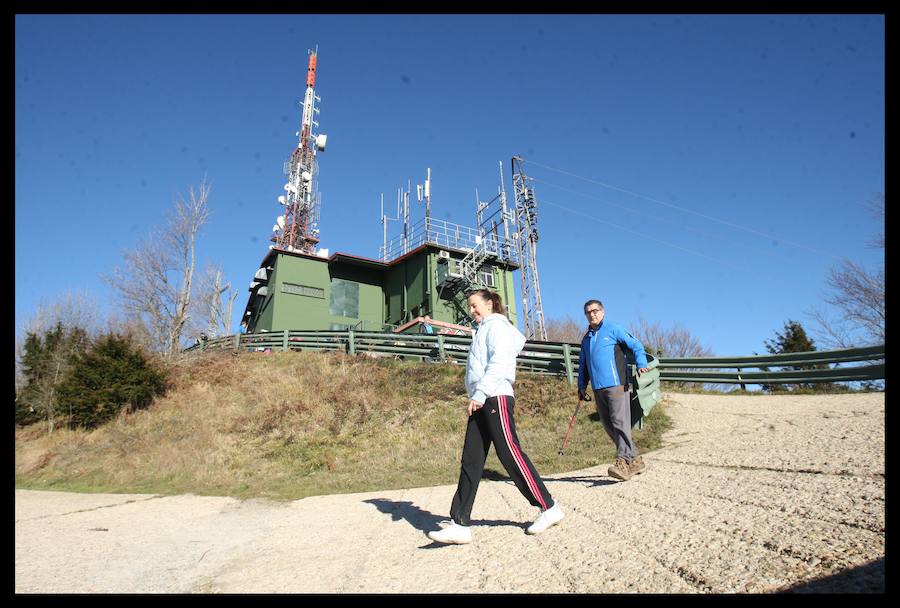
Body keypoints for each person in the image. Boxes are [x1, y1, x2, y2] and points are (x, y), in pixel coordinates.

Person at [427, 289, 563, 545]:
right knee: (471, 459)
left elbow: (499, 363)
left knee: (509, 452)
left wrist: (479, 393)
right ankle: (460, 523)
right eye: (470, 306)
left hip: (494, 396)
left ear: (490, 305)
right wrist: (477, 394)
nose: (471, 310)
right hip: (482, 397)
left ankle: (549, 507)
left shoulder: (497, 327)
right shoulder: (483, 329)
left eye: (475, 305)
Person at [577, 299, 650, 482]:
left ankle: (623, 463)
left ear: (602, 311)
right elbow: (583, 365)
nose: (592, 314)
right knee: (608, 426)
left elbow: (636, 345)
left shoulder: (613, 328)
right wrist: (581, 386)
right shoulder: (586, 339)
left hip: (616, 384)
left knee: (619, 422)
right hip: (597, 388)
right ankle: (635, 460)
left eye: (595, 310)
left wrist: (641, 363)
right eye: (588, 312)